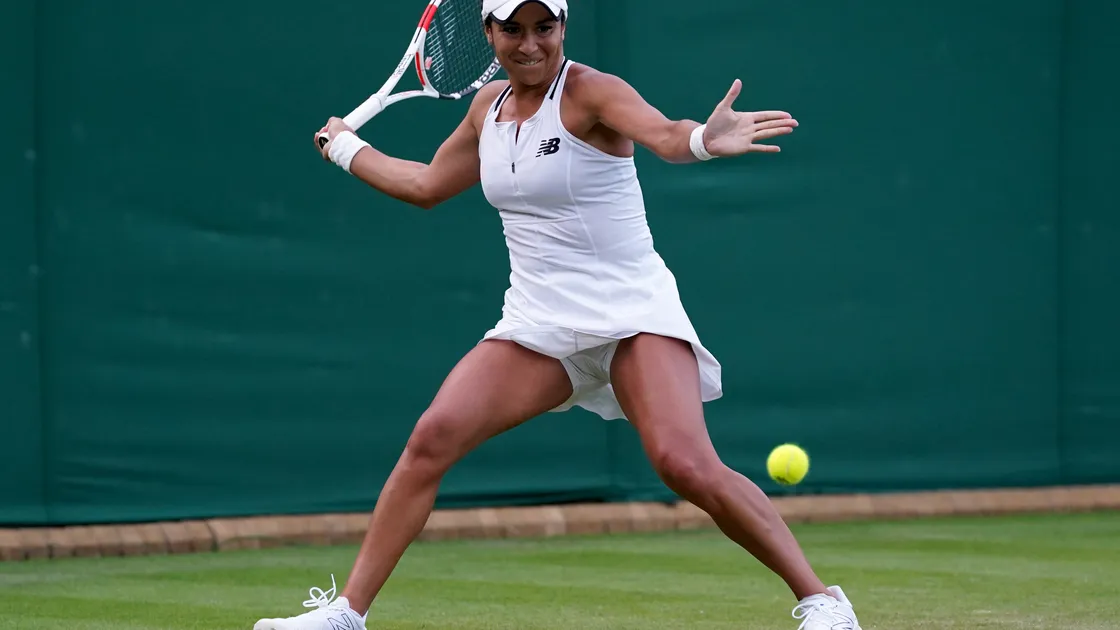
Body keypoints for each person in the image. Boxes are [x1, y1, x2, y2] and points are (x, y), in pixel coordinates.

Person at [255, 1, 862, 628]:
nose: (530, 44)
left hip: (632, 316)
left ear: (562, 28)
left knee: (684, 465)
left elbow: (664, 134)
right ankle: (346, 615)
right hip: (538, 323)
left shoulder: (592, 91)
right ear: (489, 32)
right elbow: (427, 184)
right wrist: (346, 148)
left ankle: (824, 602)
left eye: (544, 28)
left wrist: (703, 141)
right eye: (513, 29)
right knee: (431, 438)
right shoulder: (485, 108)